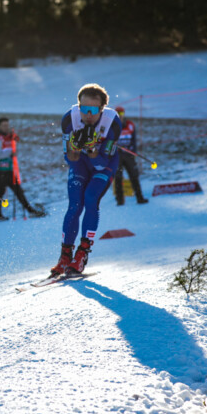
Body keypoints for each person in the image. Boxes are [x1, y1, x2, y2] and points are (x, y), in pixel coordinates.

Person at [52, 83, 121, 276]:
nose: (88, 115)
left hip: (103, 164)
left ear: (102, 109)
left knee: (91, 198)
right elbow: (70, 159)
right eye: (84, 109)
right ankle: (65, 255)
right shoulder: (69, 119)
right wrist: (74, 148)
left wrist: (92, 149)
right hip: (81, 164)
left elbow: (101, 163)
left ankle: (82, 253)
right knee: (75, 204)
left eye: (93, 110)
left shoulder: (112, 122)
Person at [0, 117, 44, 220]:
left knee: (18, 191)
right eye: (4, 126)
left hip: (9, 169)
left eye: (7, 125)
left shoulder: (9, 136)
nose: (6, 127)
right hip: (1, 170)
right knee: (0, 192)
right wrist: (10, 152)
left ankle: (29, 210)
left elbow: (17, 142)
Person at [112, 106, 148, 205]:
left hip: (128, 155)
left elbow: (133, 141)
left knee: (134, 176)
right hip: (117, 156)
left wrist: (133, 151)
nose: (120, 116)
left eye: (121, 114)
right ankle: (120, 200)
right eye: (117, 114)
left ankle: (140, 198)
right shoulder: (111, 126)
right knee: (118, 177)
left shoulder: (130, 125)